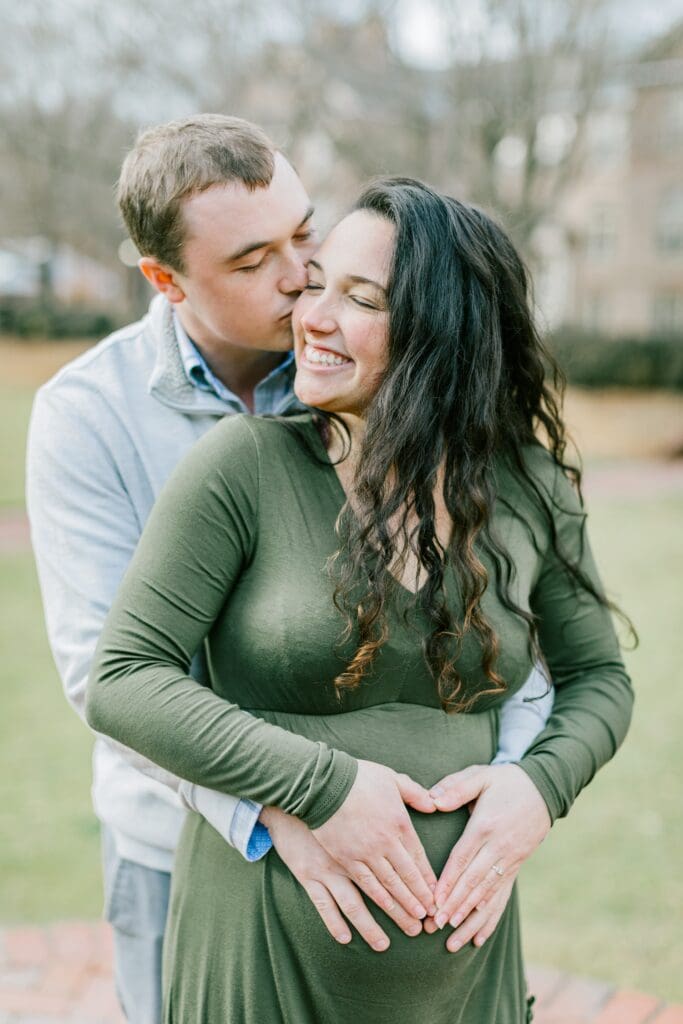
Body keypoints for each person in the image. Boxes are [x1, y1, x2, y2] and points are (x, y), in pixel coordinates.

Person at [27, 118, 552, 1023]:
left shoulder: (369, 368)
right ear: (165, 279)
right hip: (181, 850)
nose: (300, 275)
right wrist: (279, 810)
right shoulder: (89, 416)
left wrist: (518, 783)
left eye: (304, 232)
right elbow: (105, 674)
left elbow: (497, 615)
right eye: (251, 260)